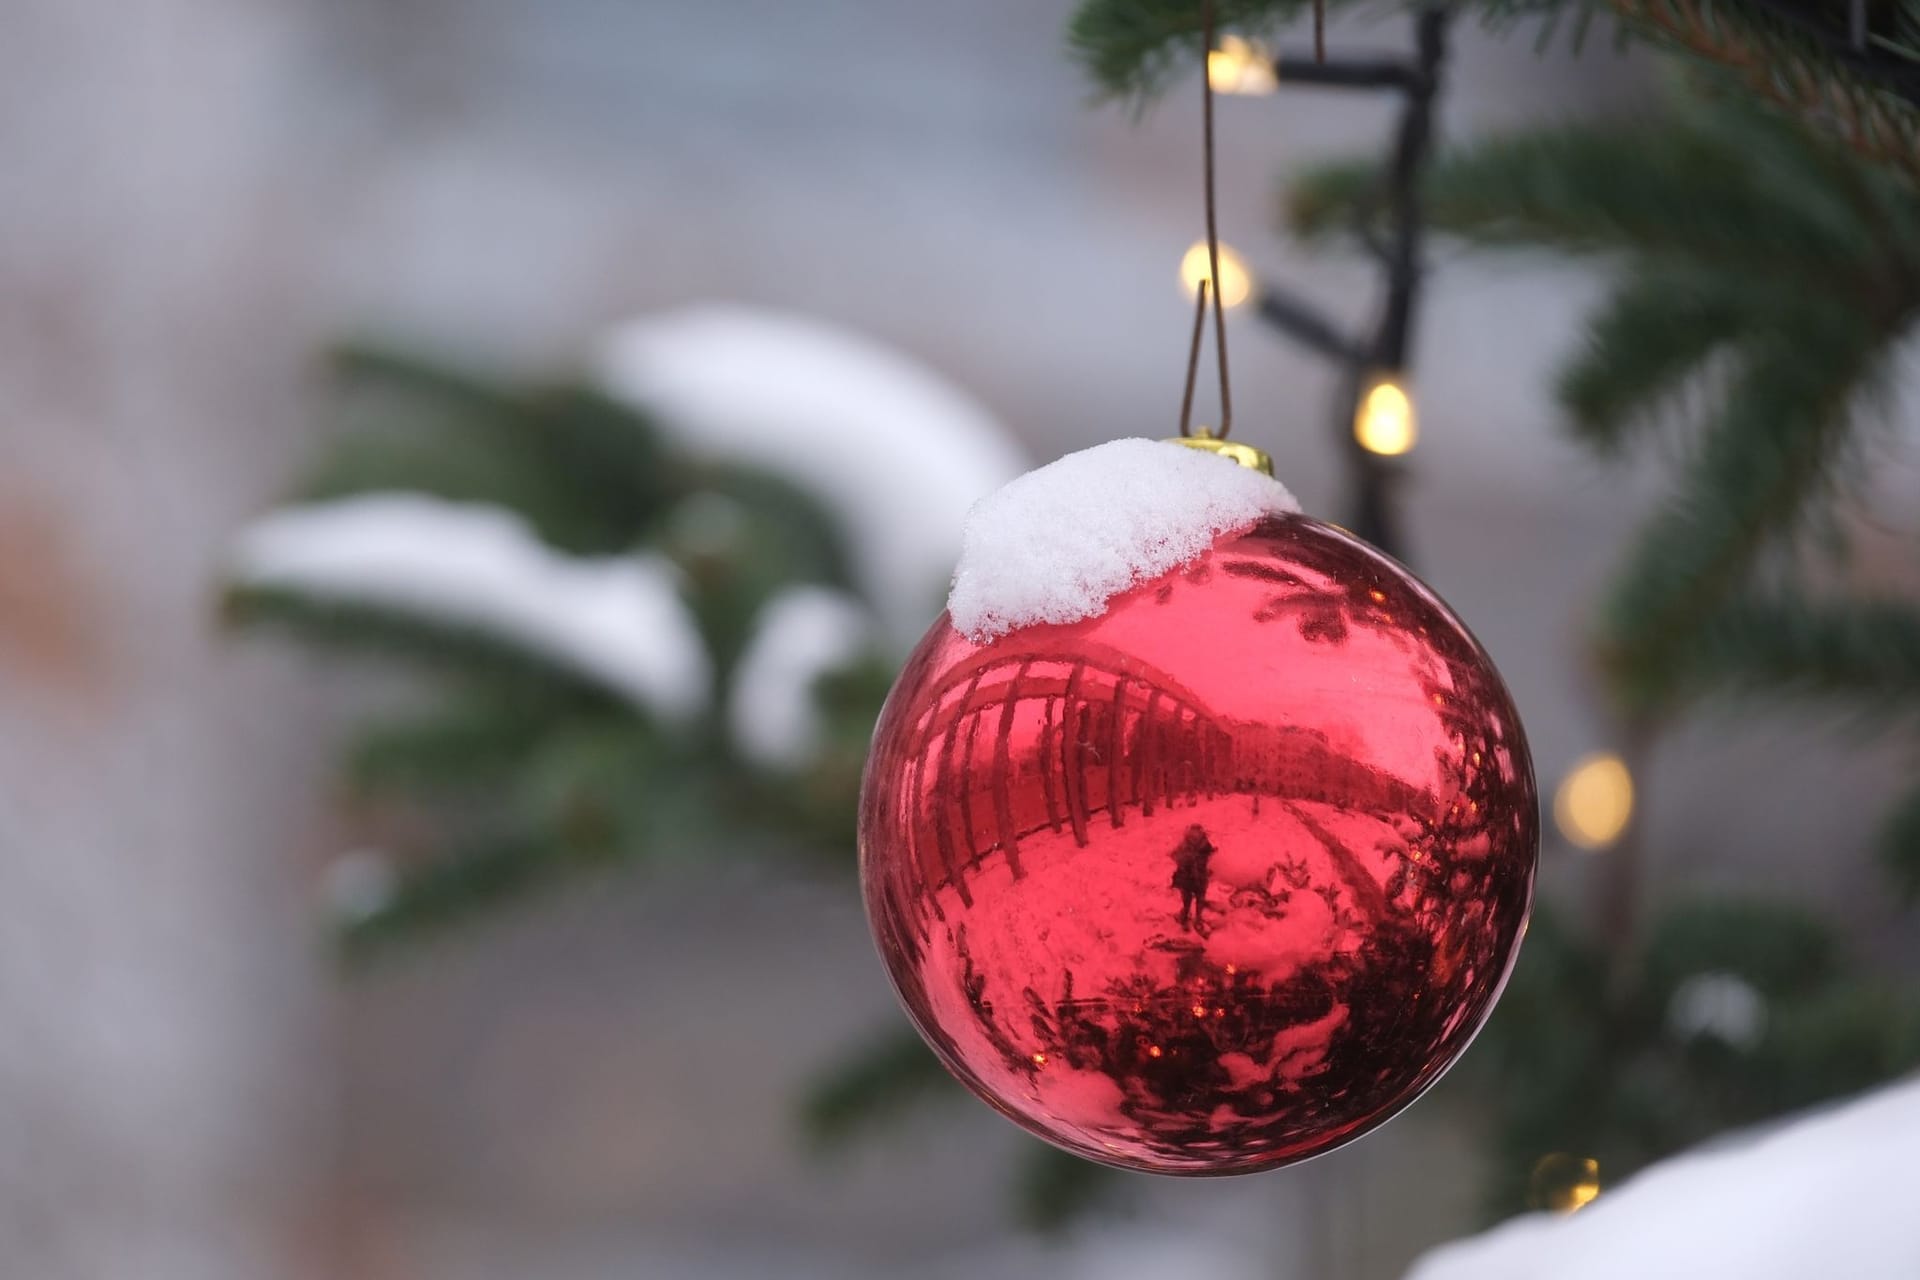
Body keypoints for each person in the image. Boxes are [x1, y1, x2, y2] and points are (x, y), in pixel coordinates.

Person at [1169, 822, 1216, 934]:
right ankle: (1198, 919)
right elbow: (1211, 857)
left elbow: (1174, 855)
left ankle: (1185, 917)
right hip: (1200, 876)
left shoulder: (1184, 844)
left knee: (1187, 898)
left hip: (1187, 877)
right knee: (1200, 898)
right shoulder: (1205, 844)